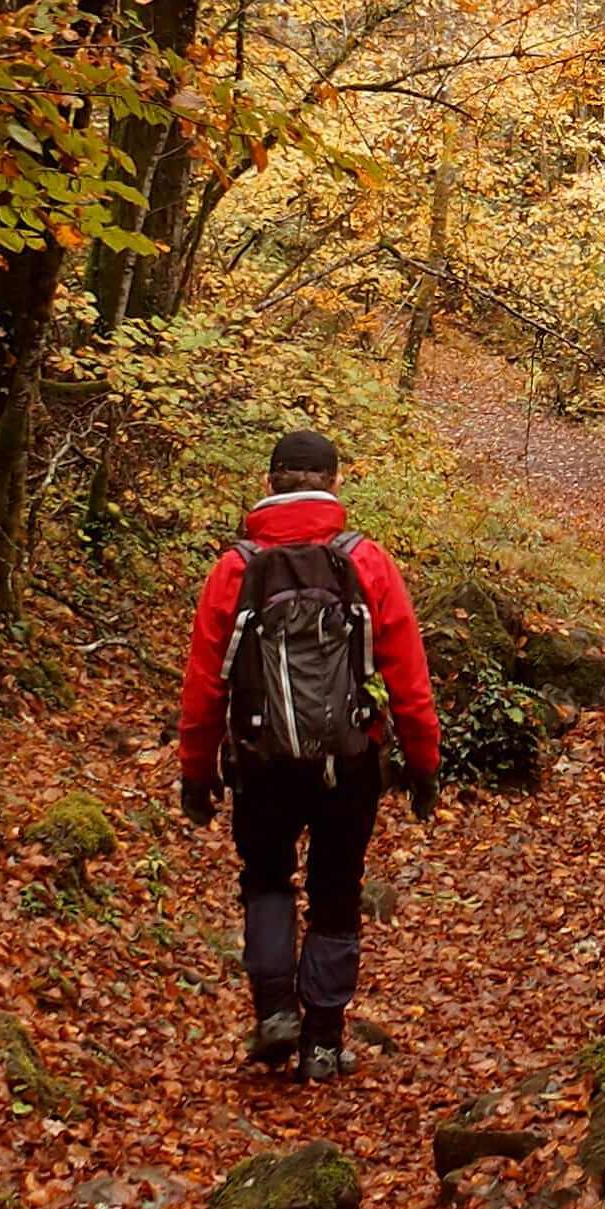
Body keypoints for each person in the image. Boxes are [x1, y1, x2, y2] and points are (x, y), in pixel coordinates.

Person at [177, 427, 440, 1080]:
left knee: (265, 879)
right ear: (335, 485)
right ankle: (323, 1041)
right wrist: (424, 761)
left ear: (268, 485)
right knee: (336, 891)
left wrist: (195, 771)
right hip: (349, 760)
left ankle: (274, 1014)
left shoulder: (235, 568)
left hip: (261, 761)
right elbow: (407, 671)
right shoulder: (366, 561)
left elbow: (206, 682)